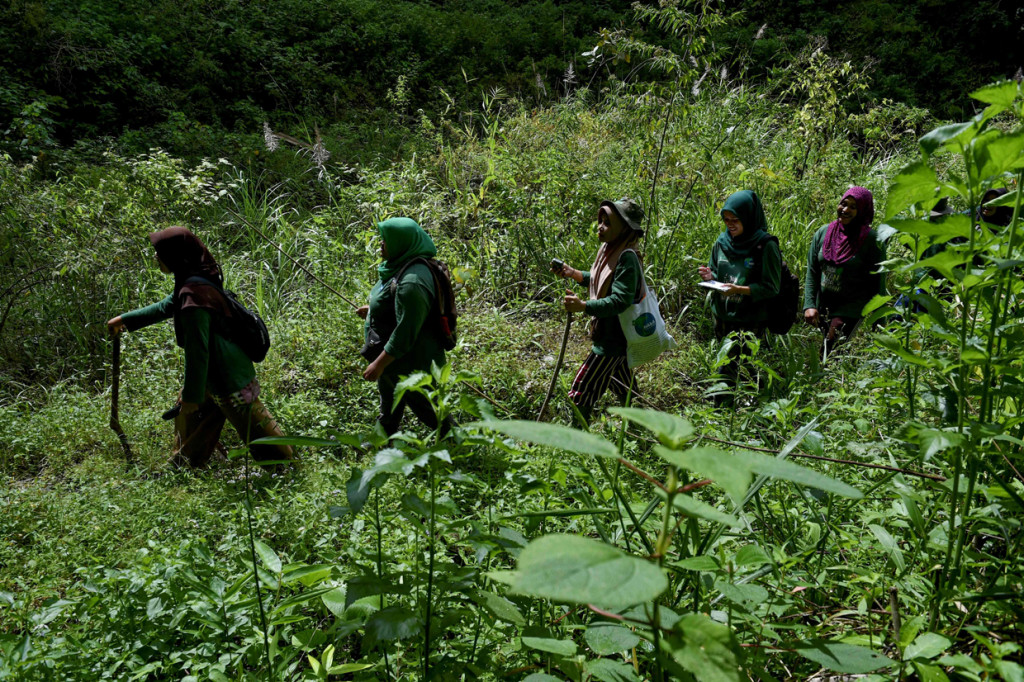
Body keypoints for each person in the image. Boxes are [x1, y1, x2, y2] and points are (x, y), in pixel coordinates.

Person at [106, 227, 295, 468]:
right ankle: (183, 469)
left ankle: (287, 471)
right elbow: (169, 304)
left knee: (270, 445)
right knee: (193, 429)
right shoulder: (195, 279)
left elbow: (198, 353)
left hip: (228, 378)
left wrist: (191, 396)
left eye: (160, 253)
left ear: (177, 255)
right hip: (215, 375)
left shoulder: (193, 298)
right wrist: (125, 320)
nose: (156, 258)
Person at [358, 217, 453, 437]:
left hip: (412, 361)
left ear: (403, 243)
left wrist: (379, 364)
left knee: (428, 407)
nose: (381, 243)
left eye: (386, 240)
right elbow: (400, 306)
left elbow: (406, 330)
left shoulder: (412, 282)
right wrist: (373, 310)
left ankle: (458, 444)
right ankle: (382, 438)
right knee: (389, 401)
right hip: (395, 360)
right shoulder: (403, 265)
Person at [555, 199, 645, 424]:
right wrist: (573, 273)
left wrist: (583, 306)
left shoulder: (627, 258)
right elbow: (601, 281)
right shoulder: (611, 251)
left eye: (608, 223)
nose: (600, 226)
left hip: (613, 338)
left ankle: (576, 443)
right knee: (623, 384)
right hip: (611, 335)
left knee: (582, 388)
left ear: (623, 228)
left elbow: (619, 300)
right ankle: (641, 425)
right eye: (600, 221)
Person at [697, 189, 781, 405]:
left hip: (749, 319)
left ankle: (730, 408)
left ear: (749, 218)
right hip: (723, 315)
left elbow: (771, 287)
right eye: (726, 220)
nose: (730, 225)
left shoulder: (765, 245)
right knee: (727, 361)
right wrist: (710, 276)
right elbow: (717, 271)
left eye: (736, 220)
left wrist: (740, 290)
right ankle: (731, 407)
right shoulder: (722, 242)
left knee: (740, 363)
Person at [803, 186, 885, 355]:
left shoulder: (871, 241)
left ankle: (820, 380)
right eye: (843, 204)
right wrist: (809, 305)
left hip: (850, 308)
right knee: (835, 353)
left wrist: (880, 321)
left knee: (829, 351)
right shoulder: (824, 233)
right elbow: (812, 271)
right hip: (824, 306)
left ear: (862, 211)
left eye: (853, 207)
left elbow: (878, 283)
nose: (845, 210)